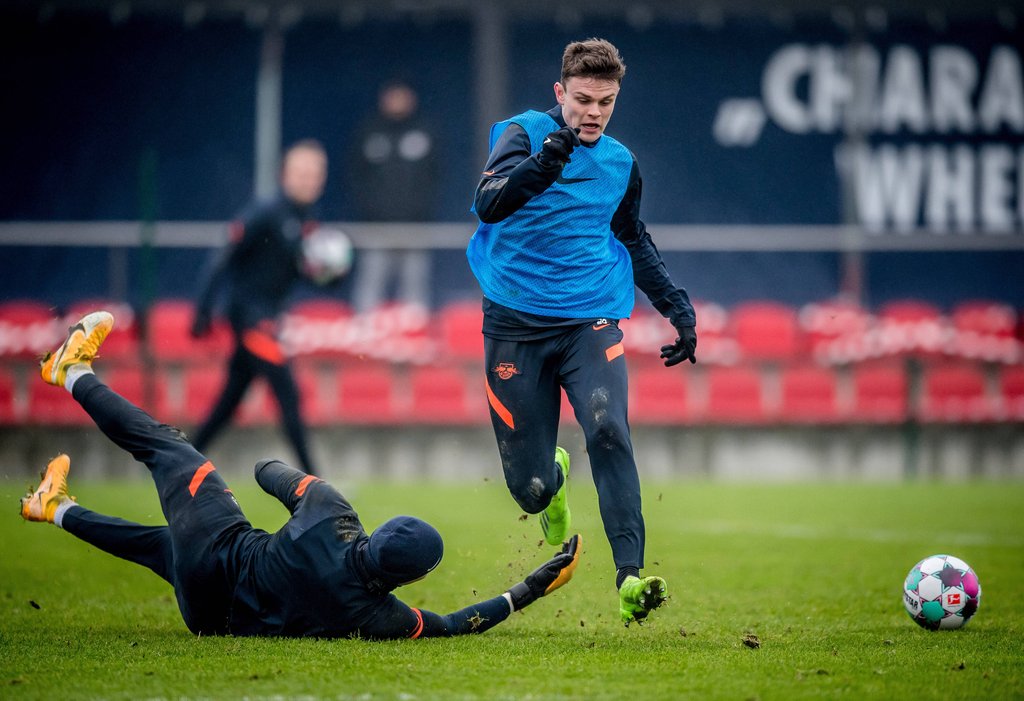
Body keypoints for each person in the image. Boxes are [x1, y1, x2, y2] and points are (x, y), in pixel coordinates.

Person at [21, 311, 580, 639]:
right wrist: (529, 589)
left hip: (220, 552)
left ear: (380, 532)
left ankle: (71, 373)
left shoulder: (332, 512)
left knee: (170, 449)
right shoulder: (374, 613)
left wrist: (302, 491)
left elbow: (267, 470)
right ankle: (54, 506)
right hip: (209, 614)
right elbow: (455, 625)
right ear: (406, 581)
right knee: (160, 544)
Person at [467, 38, 698, 626]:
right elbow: (487, 204)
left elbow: (632, 236)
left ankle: (631, 577)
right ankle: (554, 482)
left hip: (589, 318)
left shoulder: (620, 163)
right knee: (532, 489)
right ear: (560, 93)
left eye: (607, 102)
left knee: (609, 428)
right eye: (583, 100)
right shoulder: (519, 134)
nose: (593, 113)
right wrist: (544, 163)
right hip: (514, 325)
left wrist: (677, 306)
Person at [191, 139, 329, 475]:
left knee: (229, 403)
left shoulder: (306, 220)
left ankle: (178, 463)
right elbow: (223, 255)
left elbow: (304, 273)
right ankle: (316, 482)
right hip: (251, 319)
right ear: (285, 174)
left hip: (265, 317)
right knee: (289, 394)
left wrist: (330, 275)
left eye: (315, 174)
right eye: (302, 172)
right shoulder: (266, 211)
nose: (309, 180)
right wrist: (203, 308)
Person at [348, 80, 438, 312]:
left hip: (416, 226)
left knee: (415, 294)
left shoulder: (424, 131)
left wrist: (420, 209)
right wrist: (370, 210)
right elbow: (355, 175)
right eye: (392, 95)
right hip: (375, 226)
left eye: (402, 95)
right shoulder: (370, 131)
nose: (397, 101)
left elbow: (436, 175)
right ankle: (365, 342)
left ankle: (413, 341)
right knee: (370, 287)